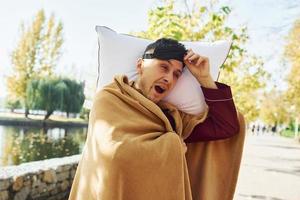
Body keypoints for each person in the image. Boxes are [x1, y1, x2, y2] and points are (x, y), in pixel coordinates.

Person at [68, 38, 245, 200]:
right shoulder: (110, 98)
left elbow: (227, 127)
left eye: (176, 74)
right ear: (140, 66)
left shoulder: (171, 117)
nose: (169, 78)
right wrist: (172, 145)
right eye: (164, 67)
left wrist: (204, 78)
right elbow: (115, 155)